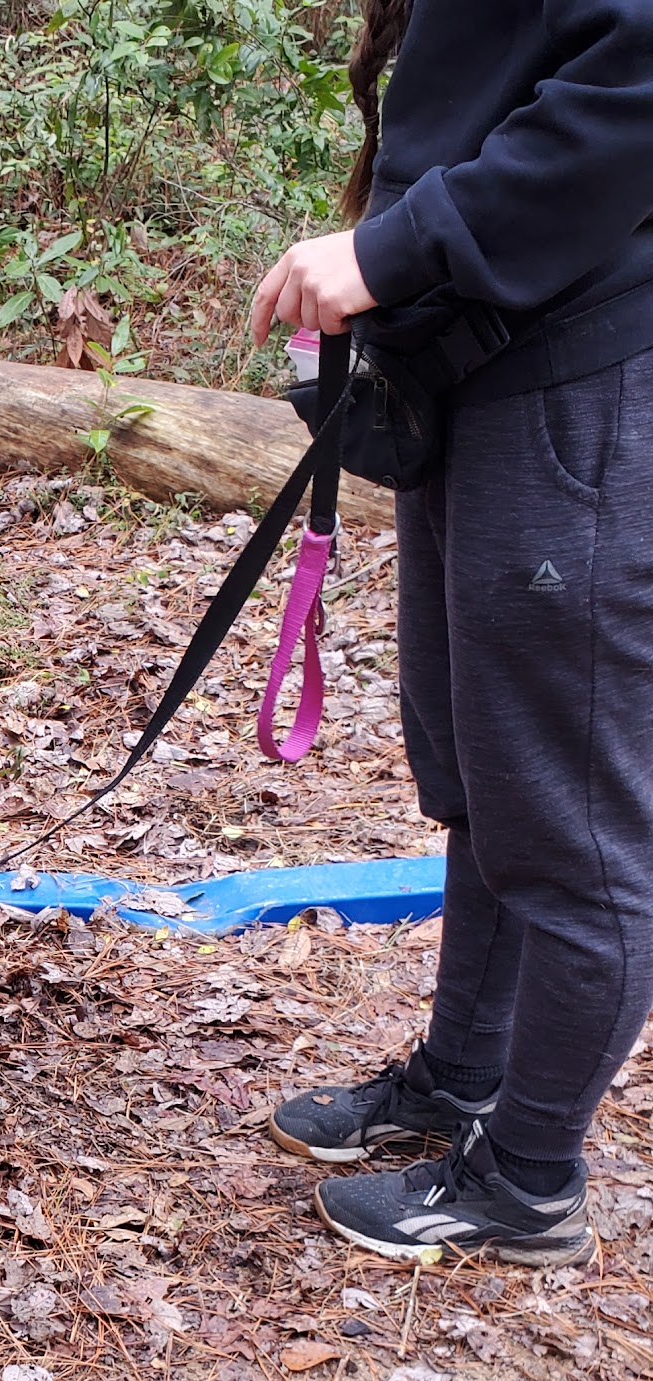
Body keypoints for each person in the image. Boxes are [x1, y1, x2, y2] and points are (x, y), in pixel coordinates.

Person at [248, 0, 653, 1266]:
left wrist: (393, 247)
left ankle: (526, 1181)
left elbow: (630, 84)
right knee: (482, 780)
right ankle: (462, 1079)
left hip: (581, 383)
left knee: (574, 826)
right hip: (477, 369)